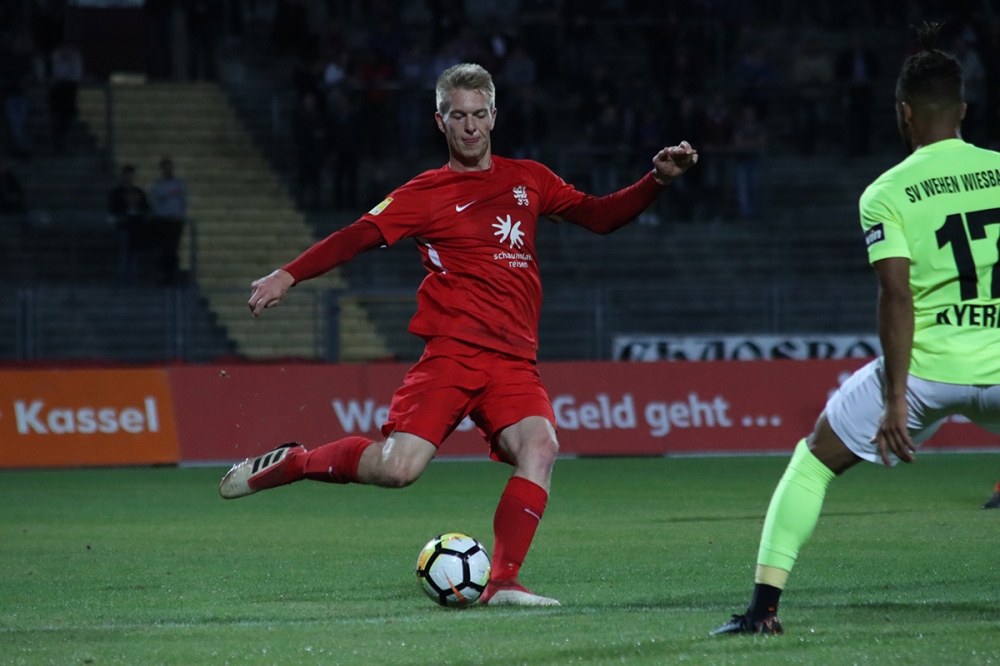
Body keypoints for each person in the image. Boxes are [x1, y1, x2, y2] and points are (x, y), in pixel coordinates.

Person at [219, 63, 698, 607]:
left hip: (513, 362)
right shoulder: (426, 193)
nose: (470, 126)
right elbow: (356, 236)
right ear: (440, 122)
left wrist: (657, 180)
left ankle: (504, 582)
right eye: (457, 116)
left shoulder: (530, 179)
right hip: (452, 355)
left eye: (478, 114)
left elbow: (600, 216)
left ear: (494, 116)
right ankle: (297, 462)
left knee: (541, 447)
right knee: (398, 470)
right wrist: (288, 275)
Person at [713, 23, 1000, 636]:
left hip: (925, 371)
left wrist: (896, 400)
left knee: (813, 462)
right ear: (963, 110)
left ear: (904, 113)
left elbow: (896, 295)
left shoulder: (886, 192)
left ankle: (763, 612)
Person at [108, 165, 151, 286]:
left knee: (133, 256)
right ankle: (122, 282)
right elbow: (113, 208)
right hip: (123, 227)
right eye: (127, 175)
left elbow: (146, 208)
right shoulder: (117, 192)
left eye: (130, 175)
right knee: (124, 255)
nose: (129, 177)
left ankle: (132, 283)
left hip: (136, 229)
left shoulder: (138, 191)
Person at [148, 157, 187, 285]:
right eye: (165, 168)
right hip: (162, 222)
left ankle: (172, 276)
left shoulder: (178, 184)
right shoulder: (158, 185)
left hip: (175, 222)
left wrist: (179, 215)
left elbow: (183, 202)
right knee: (164, 249)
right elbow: (154, 203)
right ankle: (164, 275)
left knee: (173, 249)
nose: (167, 170)